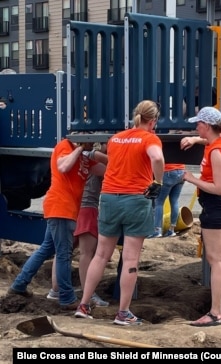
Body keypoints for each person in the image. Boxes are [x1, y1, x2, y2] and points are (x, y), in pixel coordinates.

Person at [74, 99, 165, 325]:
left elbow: (115, 163)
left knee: (101, 255)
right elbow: (157, 157)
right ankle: (123, 313)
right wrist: (159, 182)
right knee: (131, 257)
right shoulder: (150, 138)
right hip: (135, 199)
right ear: (153, 121)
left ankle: (84, 305)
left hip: (109, 198)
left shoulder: (116, 138)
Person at [8, 137, 107, 310]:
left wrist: (103, 154)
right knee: (63, 254)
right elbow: (63, 166)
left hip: (65, 209)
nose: (92, 145)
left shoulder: (85, 156)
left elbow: (106, 169)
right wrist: (79, 148)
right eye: (90, 142)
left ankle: (19, 284)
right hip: (61, 207)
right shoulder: (65, 146)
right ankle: (67, 298)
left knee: (46, 249)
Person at [181, 106, 221, 326]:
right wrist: (196, 140)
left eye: (198, 124)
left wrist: (190, 178)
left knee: (215, 260)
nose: (196, 127)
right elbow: (210, 140)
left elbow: (217, 187)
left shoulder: (217, 151)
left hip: (217, 204)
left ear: (207, 126)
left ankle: (215, 312)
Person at [47, 145, 109, 307]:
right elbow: (110, 168)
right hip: (87, 207)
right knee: (87, 253)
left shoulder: (82, 157)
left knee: (63, 251)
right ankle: (88, 293)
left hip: (75, 207)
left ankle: (55, 289)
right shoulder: (91, 158)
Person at [148, 163, 185, 238]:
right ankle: (171, 230)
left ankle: (157, 230)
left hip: (168, 171)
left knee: (159, 202)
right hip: (181, 171)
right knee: (174, 201)